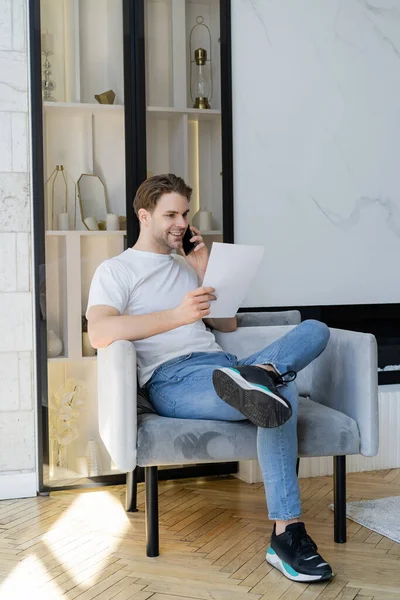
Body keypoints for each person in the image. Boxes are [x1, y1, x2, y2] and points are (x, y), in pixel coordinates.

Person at [87, 173, 333, 583]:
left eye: (185, 214)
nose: (180, 223)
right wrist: (176, 316)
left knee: (315, 330)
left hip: (226, 365)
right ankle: (286, 535)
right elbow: (99, 332)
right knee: (281, 389)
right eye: (170, 214)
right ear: (144, 216)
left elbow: (227, 324)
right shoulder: (116, 271)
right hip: (173, 379)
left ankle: (260, 376)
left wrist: (204, 271)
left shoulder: (188, 265)